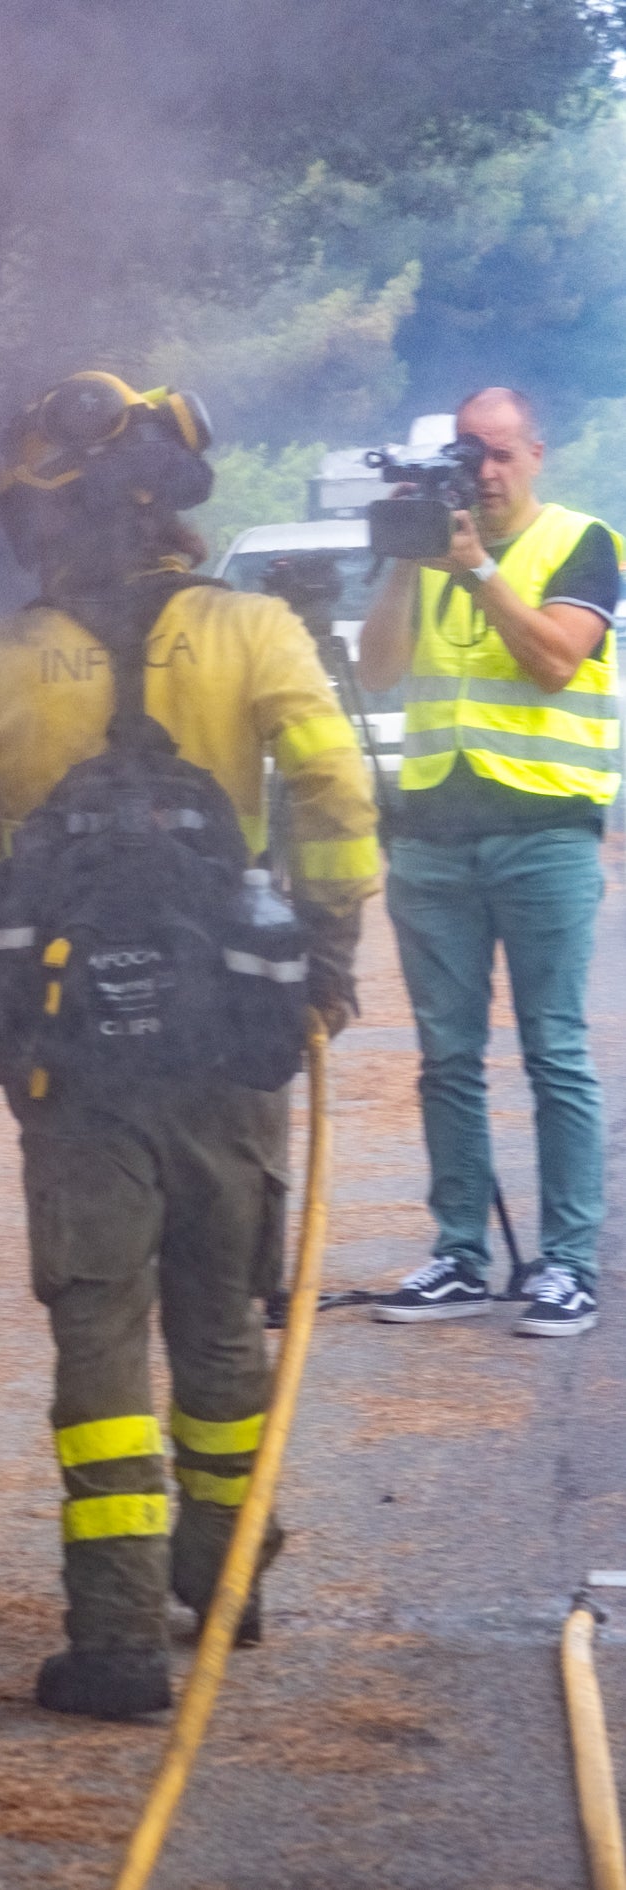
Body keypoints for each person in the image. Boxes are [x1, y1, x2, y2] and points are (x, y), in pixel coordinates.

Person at [0, 373, 379, 1717]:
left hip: (74, 1053)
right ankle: (226, 1583)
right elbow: (328, 787)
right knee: (217, 1317)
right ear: (168, 506)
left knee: (97, 1322)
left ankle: (115, 1638)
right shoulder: (252, 630)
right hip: (226, 1039)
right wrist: (319, 947)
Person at [355, 387, 618, 1336]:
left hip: (543, 830)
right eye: (473, 454)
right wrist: (402, 564)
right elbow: (376, 670)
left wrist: (474, 572)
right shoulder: (426, 561)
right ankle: (458, 1254)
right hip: (430, 836)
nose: (488, 471)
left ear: (535, 456)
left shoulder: (583, 540)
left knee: (553, 1050)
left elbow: (555, 661)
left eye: (503, 453)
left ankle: (567, 1265)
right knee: (446, 1060)